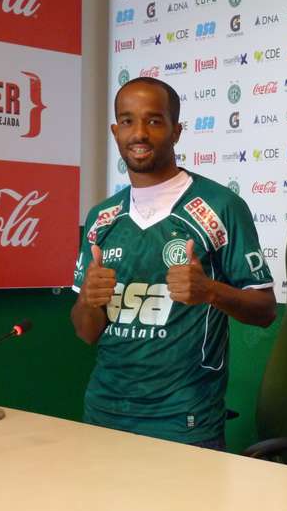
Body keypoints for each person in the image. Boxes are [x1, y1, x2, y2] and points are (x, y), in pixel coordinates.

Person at [71, 77, 276, 450]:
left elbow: (265, 311)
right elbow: (86, 333)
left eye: (154, 120)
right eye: (128, 121)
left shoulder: (221, 206)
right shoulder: (102, 218)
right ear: (116, 131)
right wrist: (88, 300)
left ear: (176, 131)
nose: (139, 133)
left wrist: (209, 291)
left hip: (183, 419)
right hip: (104, 412)